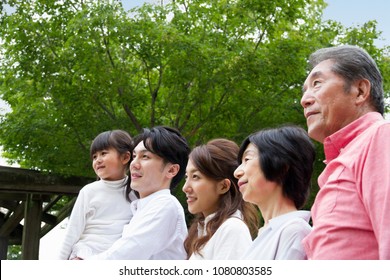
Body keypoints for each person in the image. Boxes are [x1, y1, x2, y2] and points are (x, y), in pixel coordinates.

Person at [301, 45, 390, 259]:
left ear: (359, 91)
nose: (305, 100)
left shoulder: (380, 137)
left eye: (317, 84)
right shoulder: (340, 161)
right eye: (304, 91)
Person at [83, 125, 190, 260]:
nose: (133, 164)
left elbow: (120, 258)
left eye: (145, 156)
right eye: (134, 156)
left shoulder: (165, 206)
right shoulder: (140, 207)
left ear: (171, 170)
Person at [234, 125, 315, 260]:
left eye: (247, 160)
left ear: (281, 167)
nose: (236, 172)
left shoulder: (294, 232)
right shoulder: (266, 234)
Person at [58, 130, 135, 260]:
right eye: (94, 156)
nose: (97, 160)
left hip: (118, 257)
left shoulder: (136, 191)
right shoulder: (89, 191)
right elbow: (73, 231)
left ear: (125, 158)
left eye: (103, 153)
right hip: (85, 254)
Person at [182, 139, 259, 260]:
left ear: (223, 186)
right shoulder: (204, 230)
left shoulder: (232, 230)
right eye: (187, 177)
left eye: (195, 177)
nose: (185, 187)